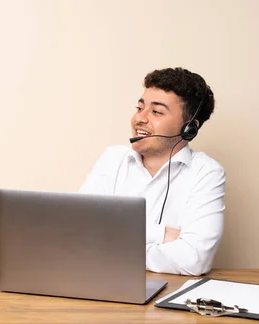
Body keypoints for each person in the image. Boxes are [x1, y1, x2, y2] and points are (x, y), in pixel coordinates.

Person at [79, 67, 226, 276]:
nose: (140, 118)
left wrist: (109, 245)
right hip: (100, 286)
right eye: (140, 108)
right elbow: (78, 231)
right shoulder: (112, 159)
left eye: (156, 112)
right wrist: (163, 234)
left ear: (189, 128)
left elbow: (194, 259)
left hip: (168, 298)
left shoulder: (207, 172)